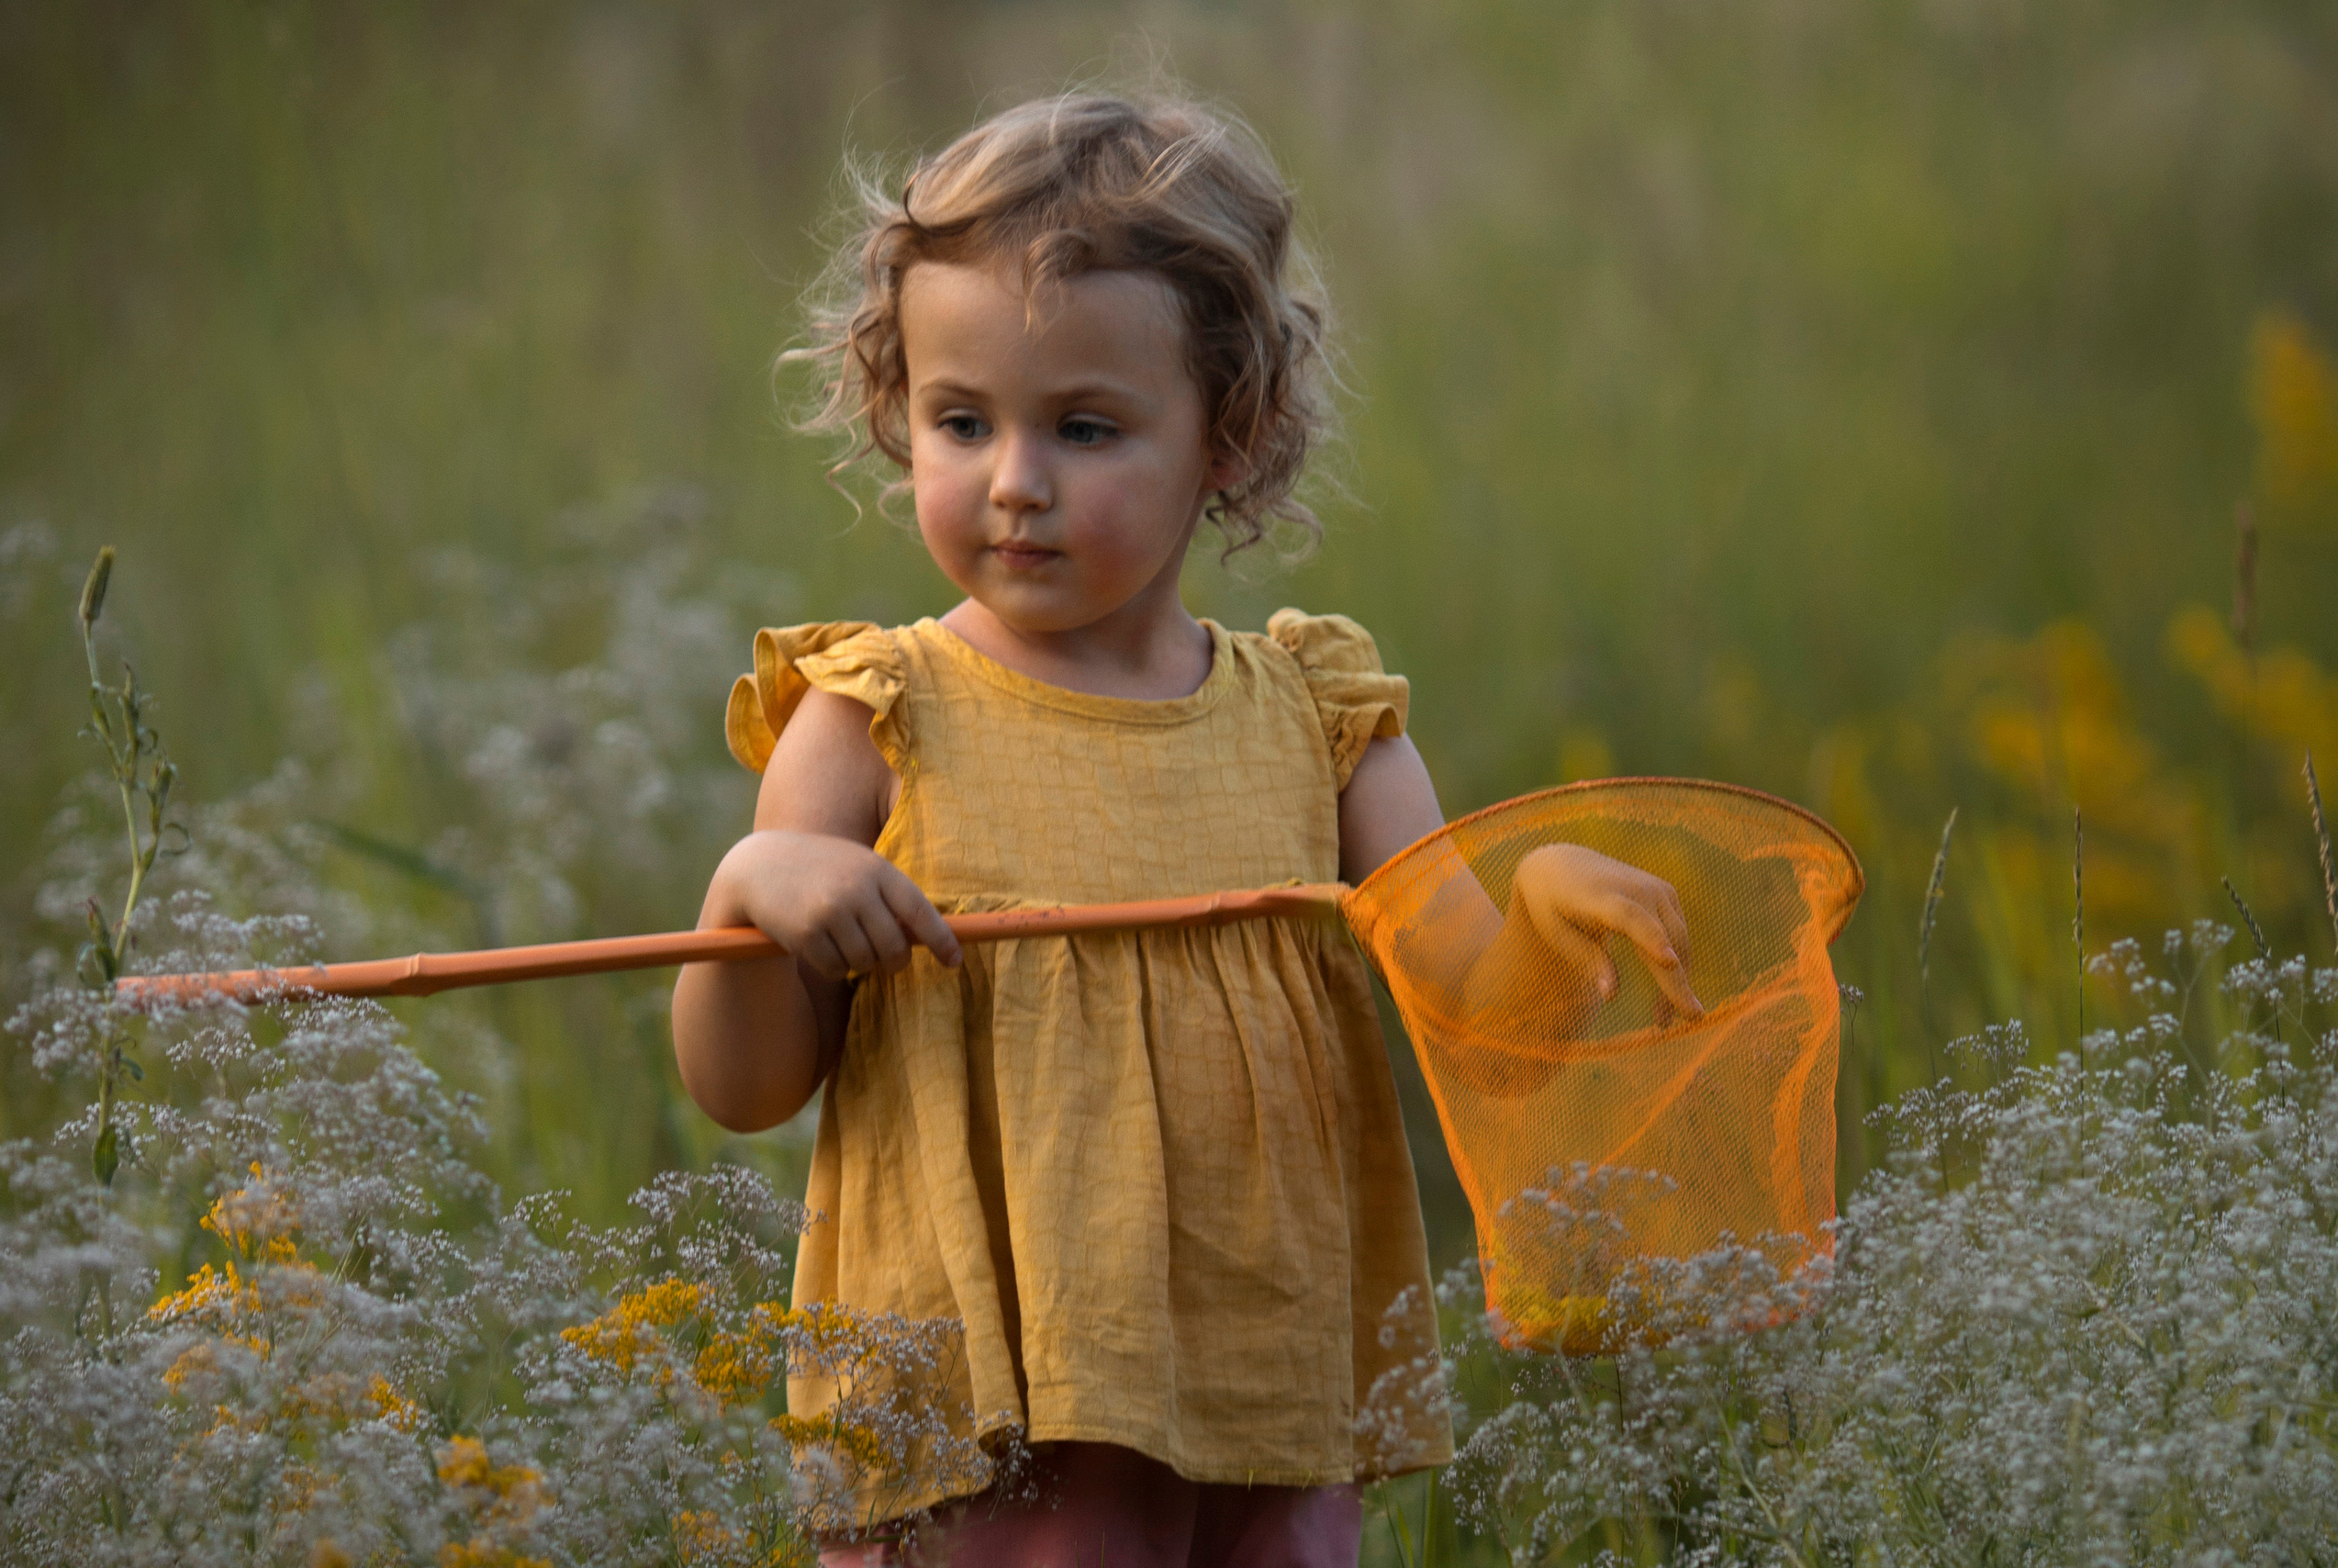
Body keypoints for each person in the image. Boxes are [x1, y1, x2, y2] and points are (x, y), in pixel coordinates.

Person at [669, 90, 1697, 1568]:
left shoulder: (1318, 722)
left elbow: (1477, 993)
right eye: (962, 421)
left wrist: (1543, 888)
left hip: (1260, 1368)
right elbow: (744, 1085)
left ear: (1233, 432)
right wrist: (753, 893)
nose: (1014, 481)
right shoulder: (876, 717)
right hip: (1006, 1400)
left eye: (1085, 428)